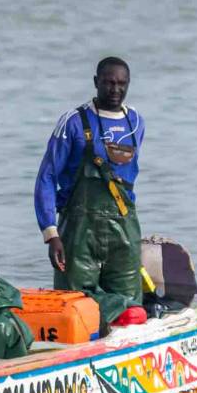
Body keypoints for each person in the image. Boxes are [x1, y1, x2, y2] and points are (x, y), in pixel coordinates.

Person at [34, 57, 146, 324]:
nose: (115, 89)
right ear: (96, 82)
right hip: (78, 228)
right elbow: (46, 177)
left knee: (132, 305)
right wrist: (51, 234)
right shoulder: (73, 122)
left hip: (124, 227)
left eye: (121, 84)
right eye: (108, 83)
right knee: (74, 302)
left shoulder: (136, 122)